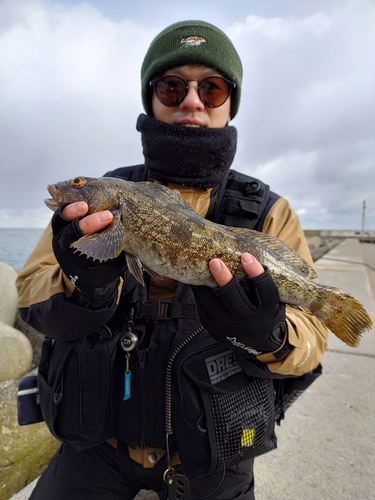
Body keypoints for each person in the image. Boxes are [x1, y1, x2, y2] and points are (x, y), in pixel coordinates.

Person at [16, 20, 328, 500]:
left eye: (213, 88)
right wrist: (84, 285)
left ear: (229, 102)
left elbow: (314, 337)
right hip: (96, 448)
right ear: (152, 97)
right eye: (172, 85)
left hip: (213, 457)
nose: (192, 101)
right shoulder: (96, 204)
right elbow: (30, 292)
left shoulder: (269, 212)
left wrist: (271, 334)